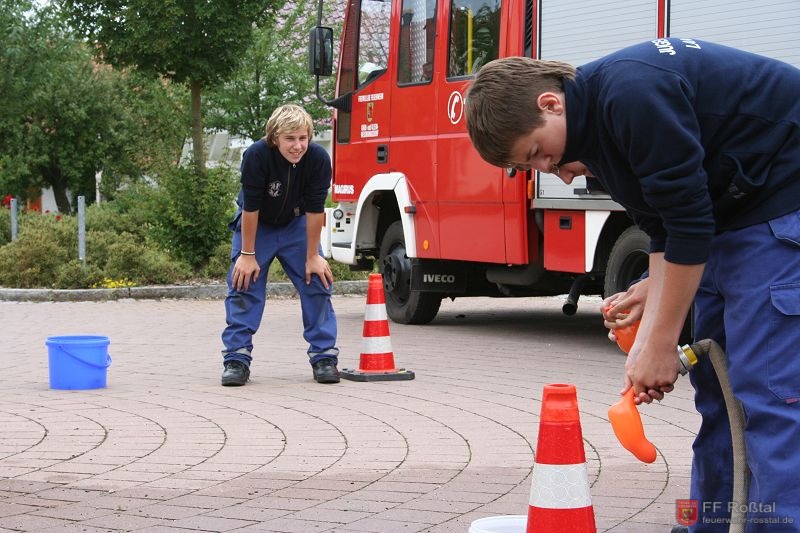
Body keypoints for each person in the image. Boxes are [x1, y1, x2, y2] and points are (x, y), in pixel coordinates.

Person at [465, 39, 800, 530]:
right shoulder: (594, 139)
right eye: (528, 166)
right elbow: (664, 228)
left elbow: (688, 224)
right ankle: (707, 524)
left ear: (550, 103)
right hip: (732, 215)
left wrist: (660, 343)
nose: (545, 170)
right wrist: (651, 297)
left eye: (537, 152)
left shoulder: (631, 93)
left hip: (780, 201)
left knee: (768, 398)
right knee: (718, 393)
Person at [220, 104, 340, 386]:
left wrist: (312, 255)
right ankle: (236, 358)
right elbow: (250, 208)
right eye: (290, 139)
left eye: (302, 138)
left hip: (296, 225)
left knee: (318, 281)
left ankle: (324, 356)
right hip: (257, 225)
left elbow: (315, 210)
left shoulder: (319, 159)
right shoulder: (256, 155)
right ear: (274, 138)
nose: (297, 146)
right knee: (243, 283)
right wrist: (248, 254)